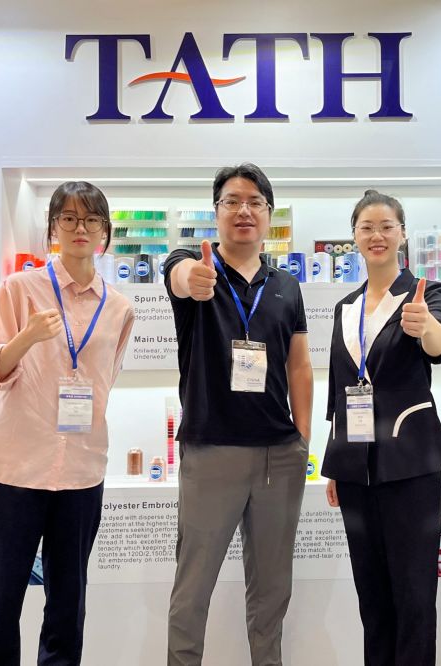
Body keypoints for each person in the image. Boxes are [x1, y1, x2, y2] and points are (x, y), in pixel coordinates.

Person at [0, 181, 135, 666]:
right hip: (12, 468)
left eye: (92, 219)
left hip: (80, 471)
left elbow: (105, 380)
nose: (81, 228)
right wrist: (25, 338)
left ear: (105, 231)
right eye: (69, 218)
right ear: (53, 228)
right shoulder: (19, 289)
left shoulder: (120, 308)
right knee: (0, 602)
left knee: (68, 604)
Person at [163, 163, 313, 666]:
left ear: (268, 214)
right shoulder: (196, 266)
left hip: (279, 456)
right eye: (232, 201)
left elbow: (299, 365)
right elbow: (179, 276)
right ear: (217, 212)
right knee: (193, 590)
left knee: (272, 591)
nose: (243, 210)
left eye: (254, 202)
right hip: (212, 451)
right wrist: (191, 279)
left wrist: (302, 440)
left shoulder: (286, 285)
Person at [322, 190, 441, 666]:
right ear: (354, 237)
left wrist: (426, 327)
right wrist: (334, 461)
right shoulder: (345, 306)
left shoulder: (426, 293)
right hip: (354, 468)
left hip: (410, 464)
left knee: (414, 595)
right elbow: (339, 388)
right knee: (372, 597)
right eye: (366, 227)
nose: (376, 235)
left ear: (402, 233)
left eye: (386, 226)